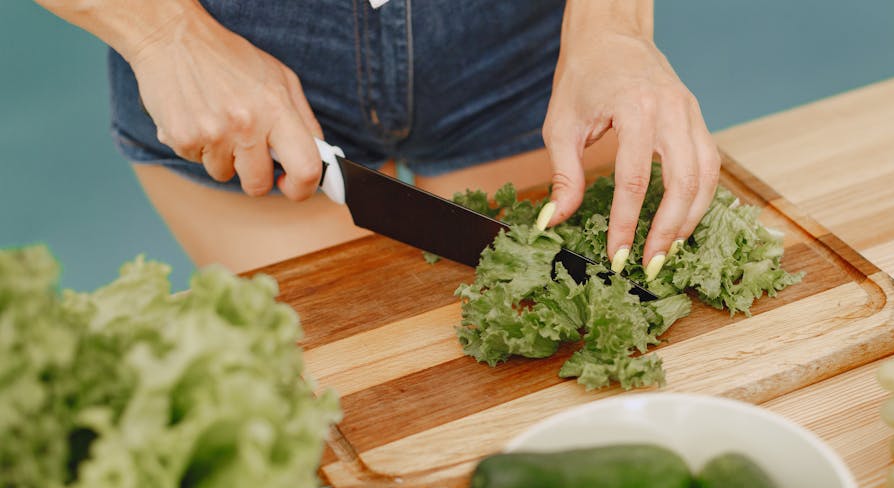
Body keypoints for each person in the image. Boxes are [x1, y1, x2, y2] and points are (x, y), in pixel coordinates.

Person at [35, 0, 720, 282]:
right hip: (230, 41)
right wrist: (163, 32)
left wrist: (615, 26)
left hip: (523, 37)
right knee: (342, 393)